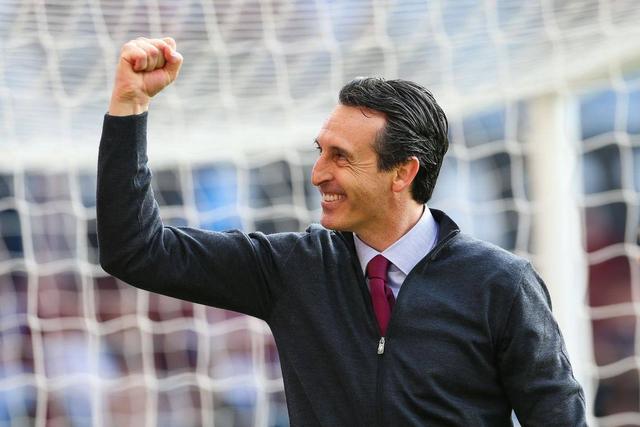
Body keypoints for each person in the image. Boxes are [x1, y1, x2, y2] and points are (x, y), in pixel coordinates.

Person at [97, 37, 587, 426]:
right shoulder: (291, 268)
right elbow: (136, 250)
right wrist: (128, 106)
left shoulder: (501, 284)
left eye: (341, 157)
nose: (318, 174)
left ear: (403, 172)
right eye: (321, 151)